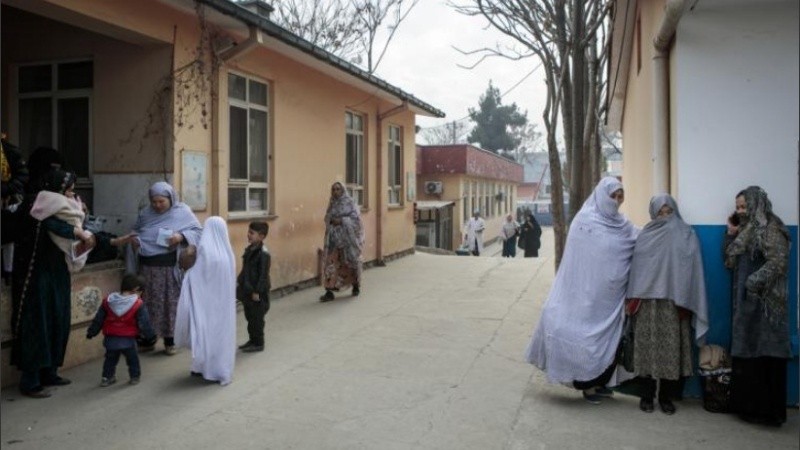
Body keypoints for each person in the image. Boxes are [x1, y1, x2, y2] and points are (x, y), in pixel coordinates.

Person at [524, 177, 637, 404]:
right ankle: (586, 385)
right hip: (581, 293)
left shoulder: (624, 225)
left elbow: (638, 240)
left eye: (619, 196)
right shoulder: (584, 221)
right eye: (612, 196)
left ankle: (599, 382)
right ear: (600, 196)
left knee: (609, 341)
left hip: (609, 297)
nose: (616, 201)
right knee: (579, 336)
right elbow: (575, 260)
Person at [9, 169, 96, 398]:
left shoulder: (66, 205)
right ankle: (30, 381)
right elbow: (52, 226)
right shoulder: (38, 204)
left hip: (57, 272)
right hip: (36, 273)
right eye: (68, 188)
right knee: (38, 324)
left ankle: (50, 372)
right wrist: (78, 231)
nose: (71, 193)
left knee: (59, 319)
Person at [625, 194, 709, 415]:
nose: (665, 217)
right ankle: (646, 395)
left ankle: (666, 397)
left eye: (669, 212)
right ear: (653, 214)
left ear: (675, 211)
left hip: (674, 302)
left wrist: (684, 293)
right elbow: (638, 269)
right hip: (648, 303)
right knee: (647, 350)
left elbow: (691, 267)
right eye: (660, 213)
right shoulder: (645, 235)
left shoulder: (686, 234)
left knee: (671, 351)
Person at [724, 186, 791, 427]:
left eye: (745, 206)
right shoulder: (747, 230)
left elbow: (778, 262)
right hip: (748, 304)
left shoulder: (771, 228)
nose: (741, 211)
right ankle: (749, 409)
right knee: (749, 351)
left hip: (767, 305)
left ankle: (768, 412)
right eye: (738, 207)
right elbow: (730, 260)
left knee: (766, 353)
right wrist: (732, 233)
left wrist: (753, 283)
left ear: (756, 204)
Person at [131, 181, 202, 355]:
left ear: (171, 198)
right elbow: (135, 231)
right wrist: (135, 240)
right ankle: (148, 339)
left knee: (170, 305)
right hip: (148, 269)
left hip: (170, 269)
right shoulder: (145, 214)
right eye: (154, 202)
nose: (157, 205)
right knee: (148, 305)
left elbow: (198, 232)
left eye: (161, 201)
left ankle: (171, 342)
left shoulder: (182, 212)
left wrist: (181, 236)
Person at [174, 216, 237, 385]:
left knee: (203, 336)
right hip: (222, 306)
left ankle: (204, 368)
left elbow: (192, 275)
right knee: (220, 337)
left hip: (205, 306)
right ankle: (218, 368)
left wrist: (188, 254)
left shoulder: (205, 253)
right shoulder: (228, 254)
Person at [86, 273, 156, 387]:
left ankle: (107, 378)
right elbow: (144, 323)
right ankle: (134, 377)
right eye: (141, 292)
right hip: (128, 340)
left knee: (110, 360)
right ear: (136, 290)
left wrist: (91, 332)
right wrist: (150, 336)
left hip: (110, 338)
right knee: (132, 360)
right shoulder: (138, 304)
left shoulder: (108, 301)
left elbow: (98, 320)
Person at [320, 181, 364, 302]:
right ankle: (329, 291)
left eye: (338, 189)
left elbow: (356, 220)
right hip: (333, 239)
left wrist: (341, 221)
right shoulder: (332, 203)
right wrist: (329, 220)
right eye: (333, 189)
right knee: (330, 263)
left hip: (347, 240)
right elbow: (327, 217)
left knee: (350, 263)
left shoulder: (349, 202)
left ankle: (355, 286)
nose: (335, 192)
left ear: (343, 190)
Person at [237, 221, 271, 353]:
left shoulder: (263, 253)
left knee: (257, 319)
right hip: (248, 290)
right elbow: (245, 270)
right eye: (248, 232)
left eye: (252, 233)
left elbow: (263, 275)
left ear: (261, 236)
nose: (248, 235)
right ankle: (252, 340)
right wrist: (239, 281)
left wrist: (257, 291)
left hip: (257, 293)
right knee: (250, 317)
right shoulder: (250, 249)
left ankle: (258, 343)